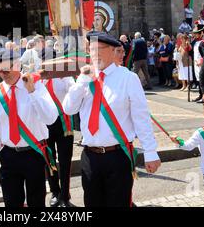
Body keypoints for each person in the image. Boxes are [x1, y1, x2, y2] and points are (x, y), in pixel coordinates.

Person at [62, 31, 161, 207]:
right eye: (91, 50)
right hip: (90, 156)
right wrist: (82, 81)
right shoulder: (84, 79)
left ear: (112, 51)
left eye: (99, 49)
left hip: (118, 155)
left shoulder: (128, 78)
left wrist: (150, 152)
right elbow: (68, 109)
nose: (94, 54)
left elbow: (141, 117)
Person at [0, 49, 58, 207]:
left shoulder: (35, 85)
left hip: (34, 153)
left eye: (6, 70)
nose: (3, 75)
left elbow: (51, 118)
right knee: (11, 203)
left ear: (17, 65)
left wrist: (32, 92)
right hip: (8, 155)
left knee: (36, 202)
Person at [41, 73, 76, 207]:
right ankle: (55, 191)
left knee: (65, 160)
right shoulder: (39, 77)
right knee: (49, 160)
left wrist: (65, 78)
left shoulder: (65, 77)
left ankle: (65, 195)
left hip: (63, 123)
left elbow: (74, 92)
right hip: (45, 124)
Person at [191, 22, 204, 103]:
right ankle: (200, 94)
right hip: (196, 64)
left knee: (202, 80)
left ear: (201, 33)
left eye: (196, 33)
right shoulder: (195, 42)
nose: (194, 35)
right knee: (198, 80)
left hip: (201, 64)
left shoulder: (203, 43)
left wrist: (201, 61)